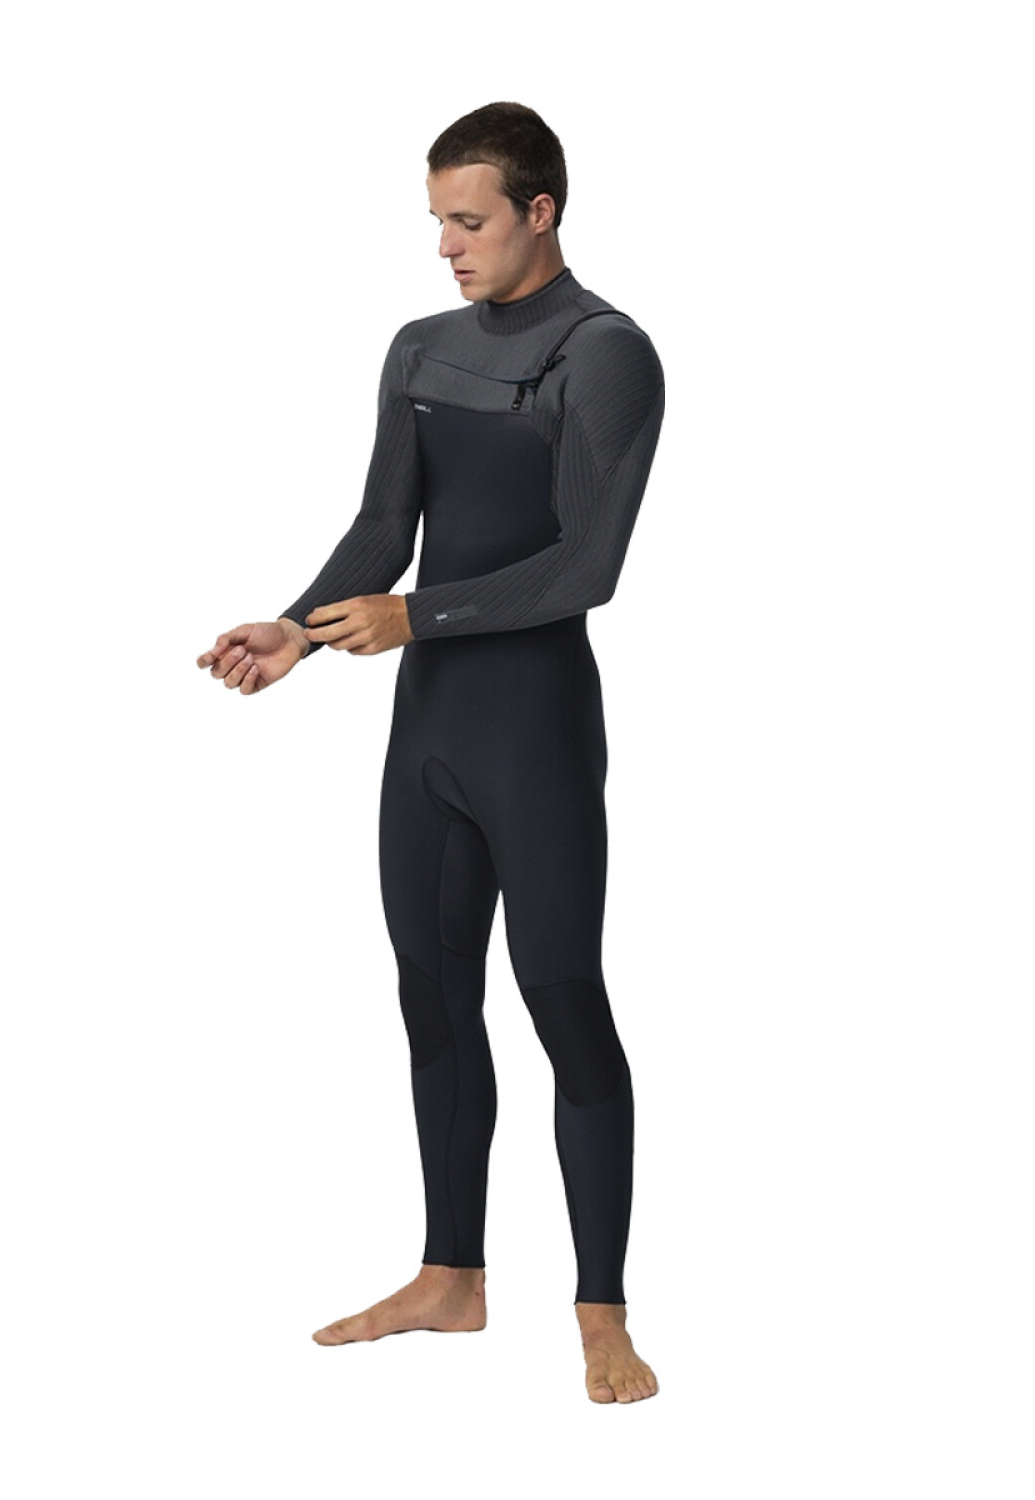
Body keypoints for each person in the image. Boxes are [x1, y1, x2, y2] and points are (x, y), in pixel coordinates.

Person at [196, 102, 665, 1404]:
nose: (446, 247)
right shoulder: (419, 346)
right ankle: (450, 1278)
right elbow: (381, 524)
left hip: (534, 729)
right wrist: (296, 629)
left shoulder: (605, 352)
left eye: (468, 221)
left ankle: (602, 1312)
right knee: (432, 996)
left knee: (562, 998)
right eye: (435, 222)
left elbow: (586, 565)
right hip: (429, 735)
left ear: (539, 211)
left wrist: (417, 618)